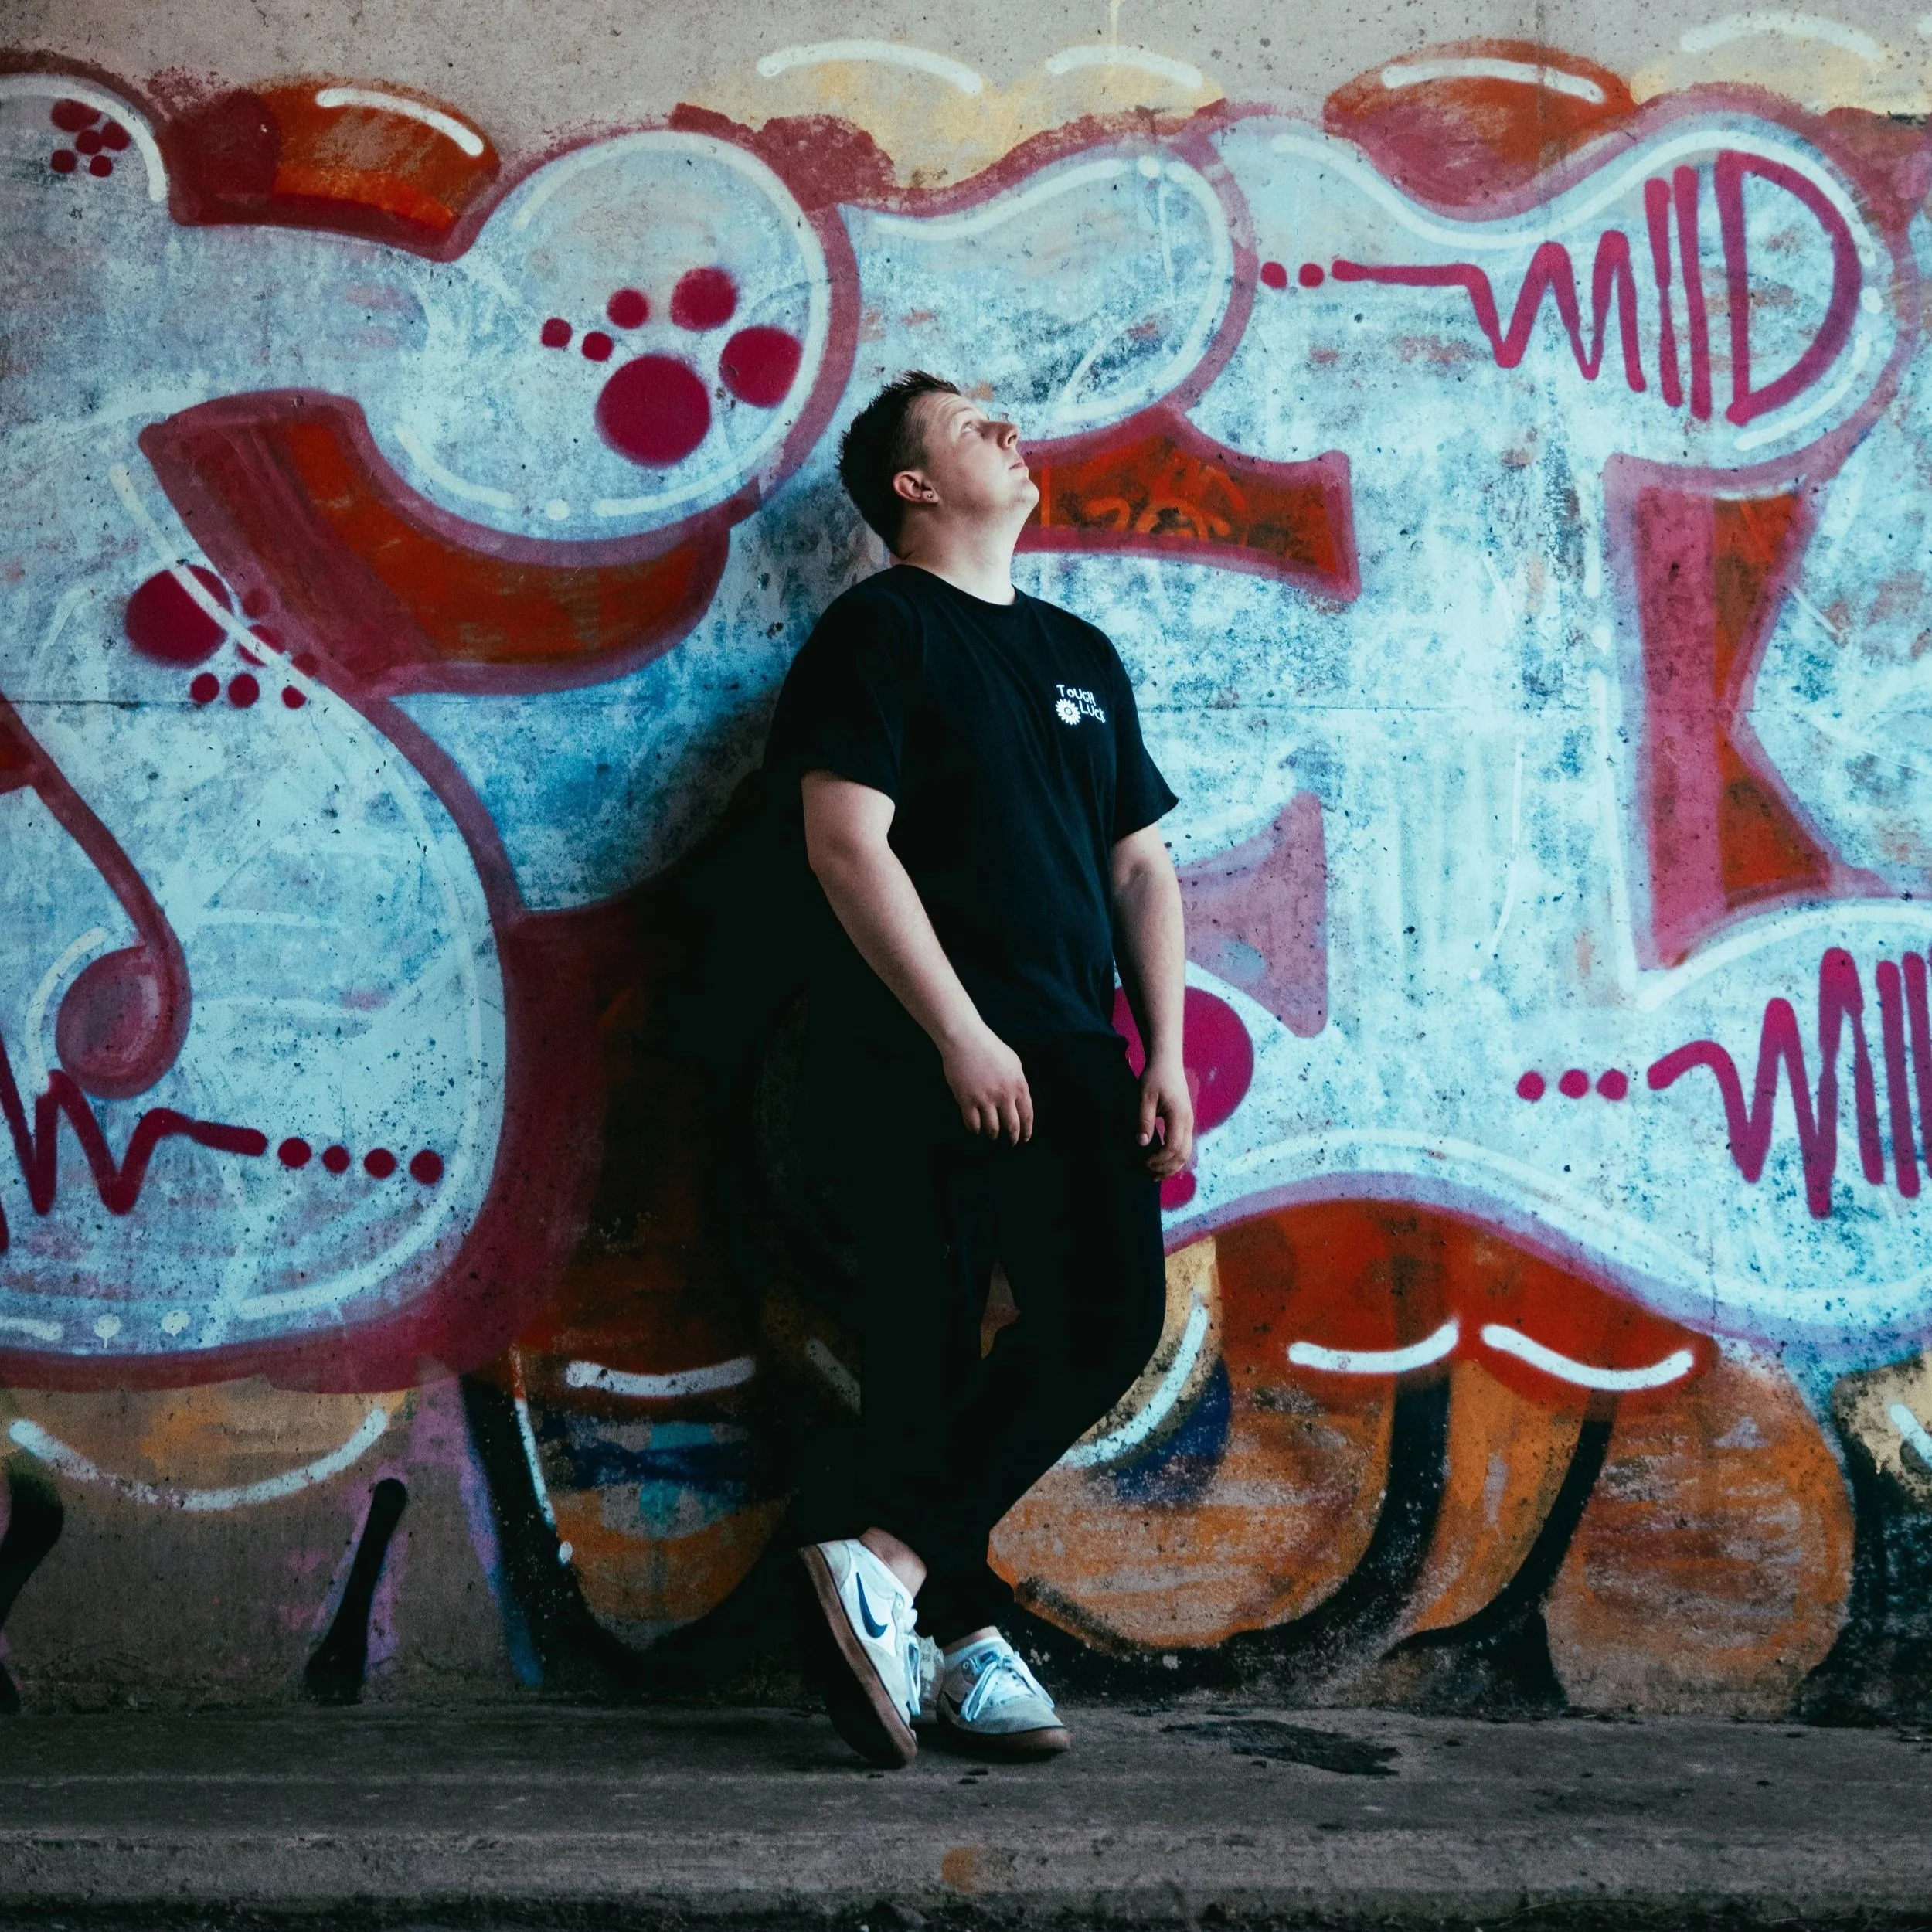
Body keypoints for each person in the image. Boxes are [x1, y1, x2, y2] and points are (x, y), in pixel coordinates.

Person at [762, 371, 1192, 1767]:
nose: (1009, 430)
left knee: (1109, 1316)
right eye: (968, 424)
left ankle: (887, 1574)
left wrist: (1167, 1048)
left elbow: (1140, 866)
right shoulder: (881, 631)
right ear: (913, 485)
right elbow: (844, 843)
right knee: (924, 1355)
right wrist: (958, 1031)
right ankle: (957, 1642)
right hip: (910, 1046)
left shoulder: (1080, 654)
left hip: (1071, 1046)